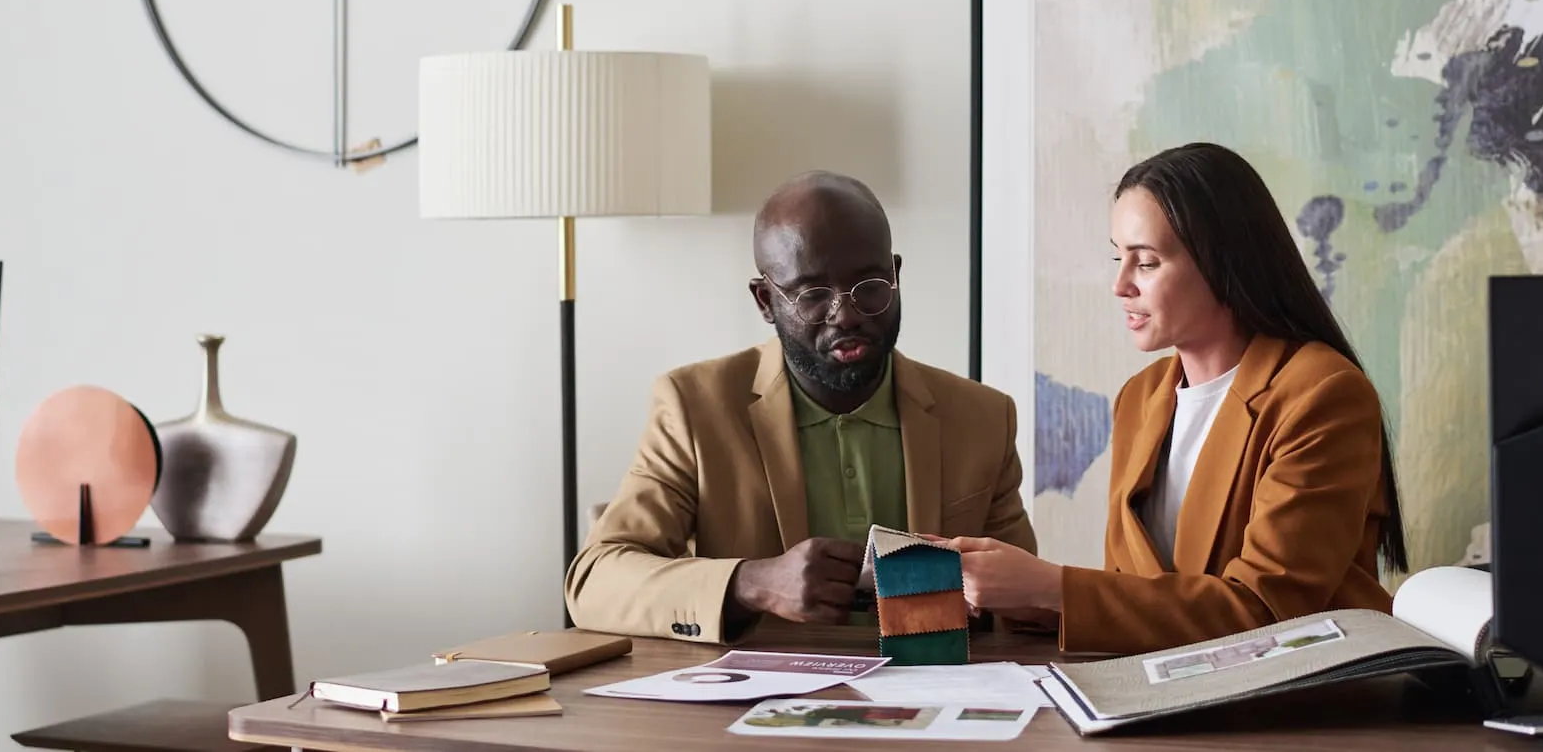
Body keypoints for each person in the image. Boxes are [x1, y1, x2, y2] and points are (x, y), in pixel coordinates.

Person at [950, 142, 1405, 655]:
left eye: (1145, 262)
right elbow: (1142, 602)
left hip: (1291, 711)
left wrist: (1051, 587)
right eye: (1118, 258)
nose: (1120, 284)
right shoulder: (1140, 399)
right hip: (1158, 699)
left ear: (1223, 261)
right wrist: (1014, 593)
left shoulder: (1322, 395)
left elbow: (1267, 614)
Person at [565, 171, 1036, 642]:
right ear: (766, 300)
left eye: (869, 284)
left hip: (939, 695)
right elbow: (595, 580)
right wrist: (752, 583)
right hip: (751, 703)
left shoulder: (983, 418)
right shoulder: (695, 408)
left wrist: (986, 596)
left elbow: (1030, 612)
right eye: (813, 295)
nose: (846, 314)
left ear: (895, 275)